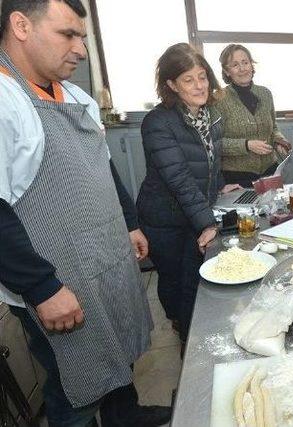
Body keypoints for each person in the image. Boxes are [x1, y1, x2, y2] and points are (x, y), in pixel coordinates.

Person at [0, 0, 170, 426]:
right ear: (21, 25)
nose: (80, 49)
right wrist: (41, 287)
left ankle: (126, 418)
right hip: (56, 278)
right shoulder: (5, 99)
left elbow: (101, 165)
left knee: (118, 354)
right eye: (68, 35)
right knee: (77, 387)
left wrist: (128, 222)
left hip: (102, 257)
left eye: (83, 38)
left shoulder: (73, 95)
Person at [137, 43, 241, 344]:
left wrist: (219, 185)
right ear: (171, 84)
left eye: (202, 77)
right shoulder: (158, 123)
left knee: (194, 277)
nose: (199, 85)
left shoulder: (209, 116)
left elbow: (209, 159)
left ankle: (190, 326)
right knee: (174, 280)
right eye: (188, 79)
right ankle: (182, 332)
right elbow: (179, 178)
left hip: (194, 211)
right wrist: (208, 222)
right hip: (165, 218)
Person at [215, 44, 291, 187]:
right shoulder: (218, 99)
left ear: (251, 65)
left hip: (270, 171)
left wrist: (279, 141)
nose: (242, 68)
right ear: (226, 71)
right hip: (237, 177)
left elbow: (273, 127)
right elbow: (215, 144)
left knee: (275, 209)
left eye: (245, 62)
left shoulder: (265, 93)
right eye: (235, 65)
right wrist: (246, 145)